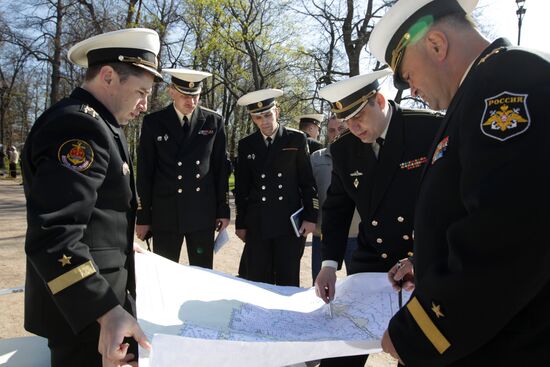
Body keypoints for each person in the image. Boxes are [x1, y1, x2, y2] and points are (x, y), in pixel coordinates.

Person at [368, 0, 550, 365]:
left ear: (436, 44)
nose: (412, 90)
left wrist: (417, 333)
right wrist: (427, 261)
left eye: (409, 75)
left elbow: (507, 235)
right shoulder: (478, 90)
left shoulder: (508, 81)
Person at [21, 28, 162, 367]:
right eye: (141, 92)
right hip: (86, 318)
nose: (144, 105)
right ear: (109, 76)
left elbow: (97, 212)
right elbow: (54, 235)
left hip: (98, 310)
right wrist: (104, 309)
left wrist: (123, 242)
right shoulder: (78, 127)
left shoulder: (103, 125)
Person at [314, 69, 442, 367]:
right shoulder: (344, 149)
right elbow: (336, 209)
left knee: (416, 352)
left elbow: (448, 202)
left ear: (380, 100)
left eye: (358, 117)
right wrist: (329, 265)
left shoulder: (427, 129)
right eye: (346, 121)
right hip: (373, 261)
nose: (353, 128)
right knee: (342, 349)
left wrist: (421, 258)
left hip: (422, 261)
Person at [136, 68, 230, 268]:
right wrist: (143, 217)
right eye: (185, 95)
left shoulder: (213, 121)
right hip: (166, 213)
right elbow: (145, 172)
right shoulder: (154, 122)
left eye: (195, 96)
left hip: (201, 213)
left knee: (203, 273)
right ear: (171, 91)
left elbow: (220, 169)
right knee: (165, 273)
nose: (191, 101)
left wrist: (223, 210)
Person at [234, 89, 318, 286]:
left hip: (288, 223)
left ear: (277, 112)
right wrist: (241, 223)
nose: (264, 121)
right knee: (257, 278)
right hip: (258, 222)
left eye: (267, 114)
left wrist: (310, 216)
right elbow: (242, 188)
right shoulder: (247, 145)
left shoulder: (296, 139)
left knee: (287, 278)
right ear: (252, 119)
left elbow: (307, 182)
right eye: (258, 117)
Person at [309, 115, 360, 283]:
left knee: (357, 284)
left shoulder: (362, 156)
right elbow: (308, 192)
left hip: (356, 233)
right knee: (319, 283)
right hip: (323, 233)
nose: (336, 134)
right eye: (331, 130)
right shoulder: (316, 158)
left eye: (341, 129)